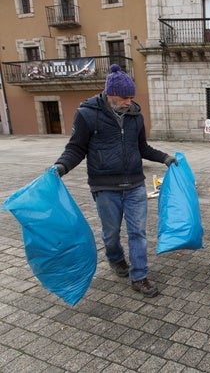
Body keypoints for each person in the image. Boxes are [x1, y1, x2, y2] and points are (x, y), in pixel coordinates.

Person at [53, 64, 177, 298]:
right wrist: (61, 166)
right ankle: (116, 258)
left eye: (131, 97)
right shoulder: (87, 115)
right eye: (124, 97)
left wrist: (165, 158)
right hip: (105, 186)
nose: (128, 102)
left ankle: (139, 275)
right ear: (110, 95)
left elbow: (142, 147)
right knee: (111, 234)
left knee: (138, 232)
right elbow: (76, 148)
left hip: (134, 185)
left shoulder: (135, 117)